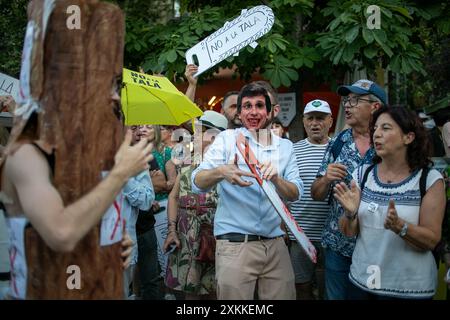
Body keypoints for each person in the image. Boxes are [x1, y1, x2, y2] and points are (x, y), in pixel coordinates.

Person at [192, 83, 303, 300]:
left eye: (260, 105)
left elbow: (296, 192)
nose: (253, 111)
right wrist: (222, 171)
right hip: (236, 245)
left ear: (271, 112)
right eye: (247, 106)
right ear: (240, 113)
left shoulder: (285, 147)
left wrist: (277, 179)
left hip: (276, 245)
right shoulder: (227, 140)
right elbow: (197, 181)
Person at [333, 106, 445, 299]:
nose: (376, 134)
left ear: (408, 137)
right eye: (375, 128)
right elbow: (349, 232)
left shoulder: (429, 180)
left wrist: (400, 227)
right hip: (363, 283)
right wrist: (350, 214)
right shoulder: (362, 174)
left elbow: (432, 240)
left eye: (385, 128)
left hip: (410, 290)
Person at [311, 79, 386, 299]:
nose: (348, 105)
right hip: (338, 244)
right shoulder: (338, 143)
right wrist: (325, 179)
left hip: (376, 246)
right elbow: (316, 194)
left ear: (375, 106)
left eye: (355, 100)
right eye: (347, 100)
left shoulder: (390, 143)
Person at [164, 110, 227, 299]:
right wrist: (172, 230)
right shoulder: (188, 163)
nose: (197, 136)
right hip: (187, 236)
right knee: (190, 292)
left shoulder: (228, 166)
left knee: (216, 291)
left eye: (203, 132)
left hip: (217, 237)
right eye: (197, 132)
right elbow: (173, 198)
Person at [289, 99, 333, 300]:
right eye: (311, 118)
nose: (315, 123)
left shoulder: (339, 149)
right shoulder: (292, 150)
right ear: (304, 122)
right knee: (301, 285)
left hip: (331, 233)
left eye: (321, 118)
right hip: (299, 232)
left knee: (329, 286)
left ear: (330, 121)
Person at [122, 126, 155, 299]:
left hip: (122, 246)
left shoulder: (136, 159)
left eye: (136, 128)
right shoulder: (88, 155)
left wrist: (122, 176)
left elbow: (147, 201)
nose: (137, 133)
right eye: (132, 128)